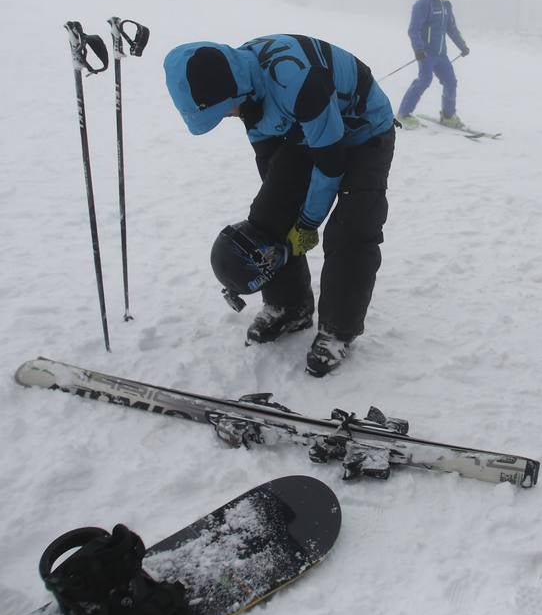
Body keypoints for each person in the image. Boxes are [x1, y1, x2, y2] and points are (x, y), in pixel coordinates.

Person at [164, 34, 396, 376]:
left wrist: (305, 223)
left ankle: (338, 331)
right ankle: (290, 307)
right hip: (308, 131)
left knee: (352, 230)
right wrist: (279, 207)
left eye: (222, 109)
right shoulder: (244, 86)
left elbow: (330, 166)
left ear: (232, 91)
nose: (227, 115)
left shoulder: (297, 81)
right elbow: (268, 154)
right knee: (269, 218)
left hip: (365, 131)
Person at [397, 0, 470, 129]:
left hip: (441, 55)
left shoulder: (447, 6)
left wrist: (462, 45)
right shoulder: (423, 4)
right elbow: (413, 29)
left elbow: (451, 29)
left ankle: (448, 116)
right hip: (427, 53)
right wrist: (418, 48)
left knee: (451, 82)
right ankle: (403, 113)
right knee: (424, 80)